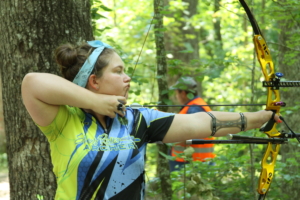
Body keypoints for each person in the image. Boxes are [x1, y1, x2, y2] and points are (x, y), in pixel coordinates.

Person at [21, 40, 280, 200]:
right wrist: (95, 103)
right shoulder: (65, 119)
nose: (127, 78)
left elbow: (202, 122)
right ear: (94, 81)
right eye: (118, 71)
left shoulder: (137, 120)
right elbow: (32, 83)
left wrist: (260, 118)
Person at [169, 76, 215, 172]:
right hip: (196, 162)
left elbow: (188, 135)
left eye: (176, 92)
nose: (176, 96)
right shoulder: (197, 105)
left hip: (190, 163)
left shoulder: (194, 109)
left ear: (183, 93)